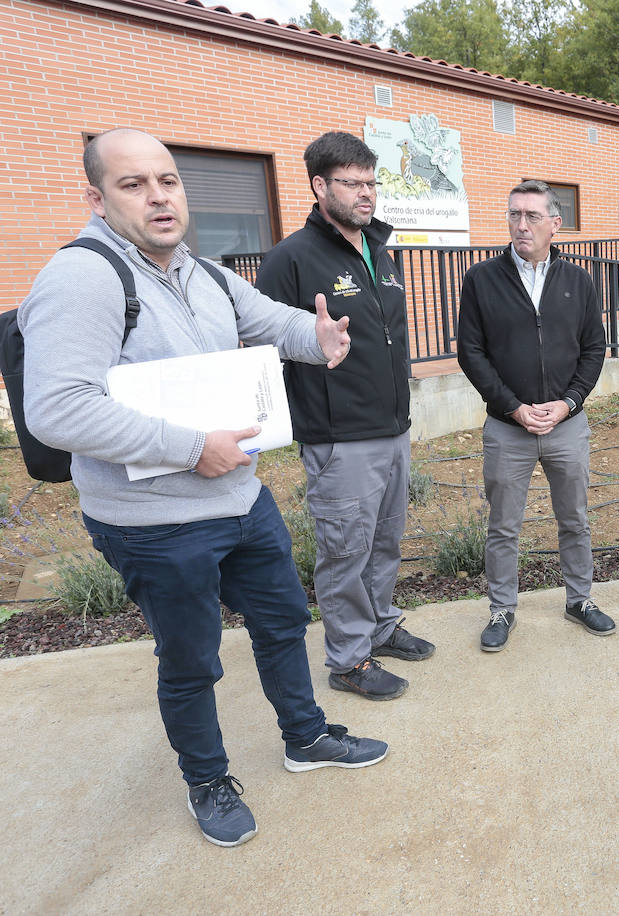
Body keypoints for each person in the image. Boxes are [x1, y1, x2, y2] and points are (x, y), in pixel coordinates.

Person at [19, 128, 387, 848]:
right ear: (95, 197)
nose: (159, 196)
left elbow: (266, 321)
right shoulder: (83, 278)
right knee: (191, 661)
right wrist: (191, 449)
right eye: (133, 184)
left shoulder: (200, 271)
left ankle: (304, 736)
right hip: (154, 523)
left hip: (241, 500)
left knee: (283, 623)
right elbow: (57, 408)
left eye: (168, 181)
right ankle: (207, 780)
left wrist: (319, 337)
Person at [256, 131, 433, 702]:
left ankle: (381, 626)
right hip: (338, 439)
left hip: (392, 430)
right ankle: (349, 659)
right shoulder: (291, 260)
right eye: (352, 183)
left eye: (371, 183)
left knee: (384, 543)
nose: (366, 194)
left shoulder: (380, 252)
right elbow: (262, 342)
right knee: (345, 552)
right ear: (319, 186)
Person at [457, 180, 609, 651]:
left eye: (532, 216)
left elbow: (593, 349)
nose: (521, 225)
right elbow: (471, 352)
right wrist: (514, 407)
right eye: (514, 215)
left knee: (576, 519)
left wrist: (569, 403)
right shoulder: (482, 279)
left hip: (567, 426)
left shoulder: (579, 282)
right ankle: (502, 610)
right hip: (508, 428)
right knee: (503, 526)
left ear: (555, 224)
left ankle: (579, 599)